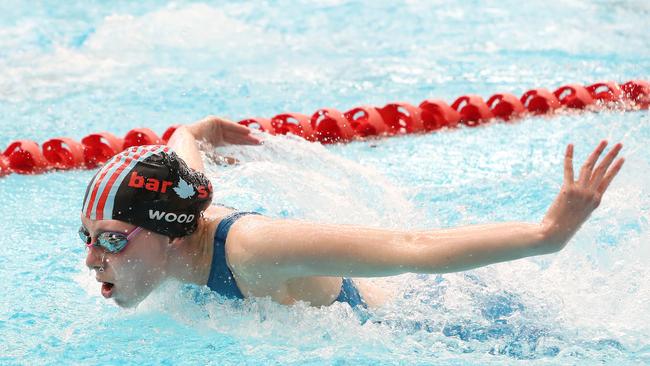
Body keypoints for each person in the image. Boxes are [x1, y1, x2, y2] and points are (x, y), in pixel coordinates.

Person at [81, 116, 625, 309]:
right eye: (85, 237)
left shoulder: (252, 250)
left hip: (452, 318)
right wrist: (198, 131)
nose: (90, 259)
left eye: (108, 240)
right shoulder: (167, 223)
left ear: (170, 236)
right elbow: (181, 153)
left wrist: (546, 233)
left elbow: (412, 249)